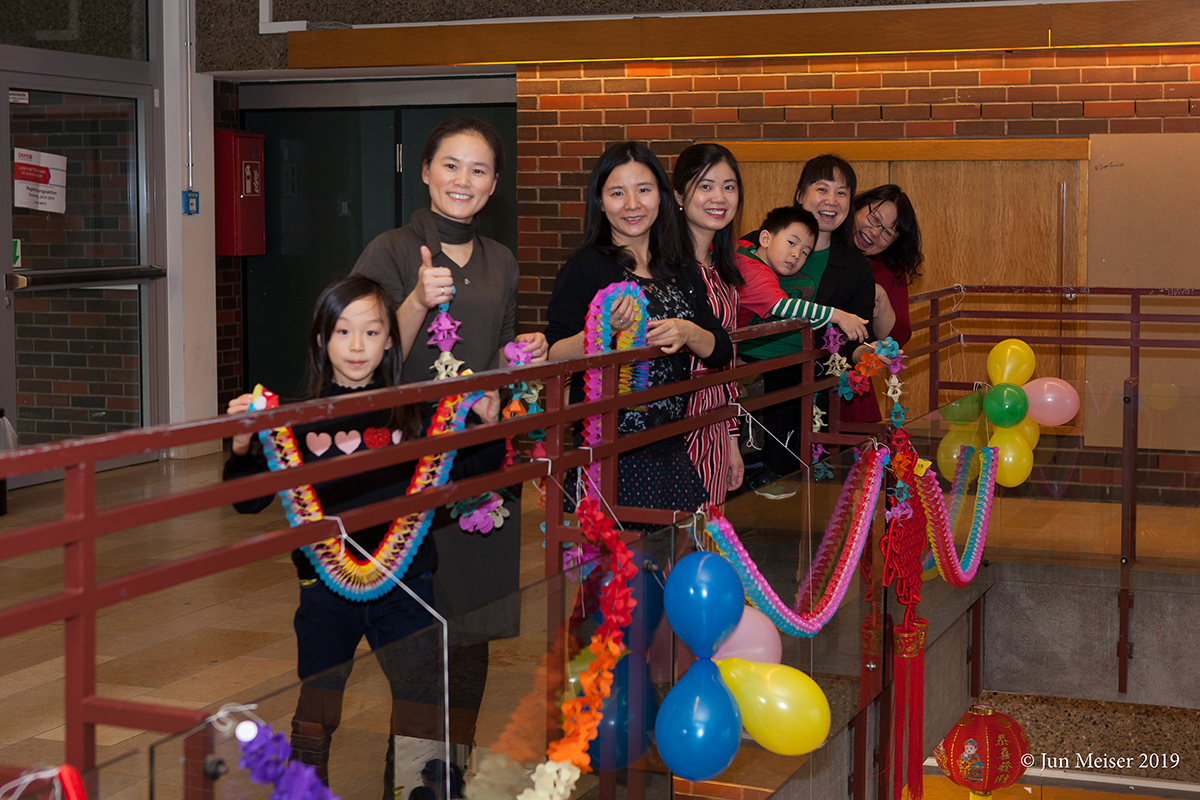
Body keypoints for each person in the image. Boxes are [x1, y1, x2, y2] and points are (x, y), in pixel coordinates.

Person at [222, 275, 500, 789]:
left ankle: (418, 790)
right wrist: (241, 447)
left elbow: (474, 469)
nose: (356, 346)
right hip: (324, 591)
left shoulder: (415, 414)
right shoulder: (295, 422)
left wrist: (486, 424)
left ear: (390, 340)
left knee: (420, 699)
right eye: (343, 331)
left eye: (371, 332)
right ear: (321, 339)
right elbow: (247, 500)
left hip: (406, 585)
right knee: (318, 703)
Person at [351, 117, 547, 752]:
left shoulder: (501, 260)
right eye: (451, 165)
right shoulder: (390, 251)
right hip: (407, 468)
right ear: (426, 172)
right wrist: (414, 301)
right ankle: (413, 780)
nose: (463, 180)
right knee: (413, 638)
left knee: (471, 633)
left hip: (480, 467)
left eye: (479, 169)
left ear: (494, 184)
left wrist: (517, 365)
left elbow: (497, 355)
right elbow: (361, 362)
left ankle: (453, 769)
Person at [545, 140, 733, 518]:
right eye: (617, 193)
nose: (632, 204)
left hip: (670, 447)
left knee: (683, 550)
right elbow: (553, 356)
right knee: (621, 557)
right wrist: (601, 331)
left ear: (661, 196)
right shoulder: (584, 268)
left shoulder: (680, 266)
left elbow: (721, 350)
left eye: (643, 190)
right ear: (600, 202)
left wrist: (688, 332)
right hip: (610, 453)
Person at [738, 154, 876, 493]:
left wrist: (864, 353)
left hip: (801, 381)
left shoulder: (854, 266)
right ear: (800, 194)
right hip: (742, 370)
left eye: (842, 193)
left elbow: (856, 333)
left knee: (787, 480)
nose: (831, 201)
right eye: (822, 189)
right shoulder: (755, 244)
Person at [671, 142, 746, 507]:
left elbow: (728, 364)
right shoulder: (665, 270)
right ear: (678, 195)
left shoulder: (725, 274)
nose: (719, 197)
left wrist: (732, 439)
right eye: (706, 185)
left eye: (729, 187)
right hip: (673, 428)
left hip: (714, 427)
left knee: (707, 531)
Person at [842, 184, 924, 423]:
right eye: (874, 218)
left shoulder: (889, 270)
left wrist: (880, 296)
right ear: (858, 206)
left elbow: (897, 339)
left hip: (852, 385)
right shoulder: (822, 246)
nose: (875, 233)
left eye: (888, 233)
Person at [734, 205, 868, 341]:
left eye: (804, 252)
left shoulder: (742, 248)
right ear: (765, 239)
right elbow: (782, 306)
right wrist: (836, 315)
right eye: (792, 243)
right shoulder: (756, 273)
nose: (797, 254)